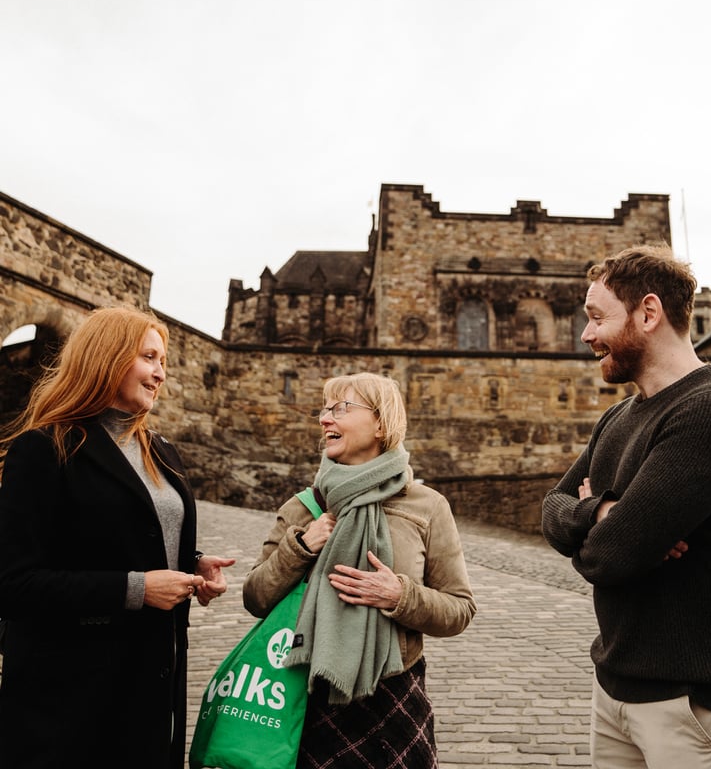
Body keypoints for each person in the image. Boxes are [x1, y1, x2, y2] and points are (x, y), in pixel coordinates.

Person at [0, 305, 235, 769]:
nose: (160, 374)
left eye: (163, 362)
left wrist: (192, 562)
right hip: (68, 698)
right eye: (149, 357)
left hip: (153, 686)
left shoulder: (163, 451)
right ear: (107, 357)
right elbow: (13, 583)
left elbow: (125, 532)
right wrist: (138, 589)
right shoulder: (45, 448)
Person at [541, 243, 711, 768]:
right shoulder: (617, 418)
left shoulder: (707, 409)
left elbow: (610, 559)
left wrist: (604, 534)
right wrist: (599, 513)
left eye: (597, 318)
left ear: (648, 312)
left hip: (687, 704)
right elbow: (550, 510)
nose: (586, 334)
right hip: (612, 690)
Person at [242, 371, 476, 768]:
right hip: (309, 701)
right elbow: (255, 597)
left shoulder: (426, 506)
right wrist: (300, 547)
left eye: (340, 408)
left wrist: (400, 596)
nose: (324, 419)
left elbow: (459, 610)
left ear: (381, 423)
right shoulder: (305, 506)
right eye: (324, 409)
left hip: (395, 702)